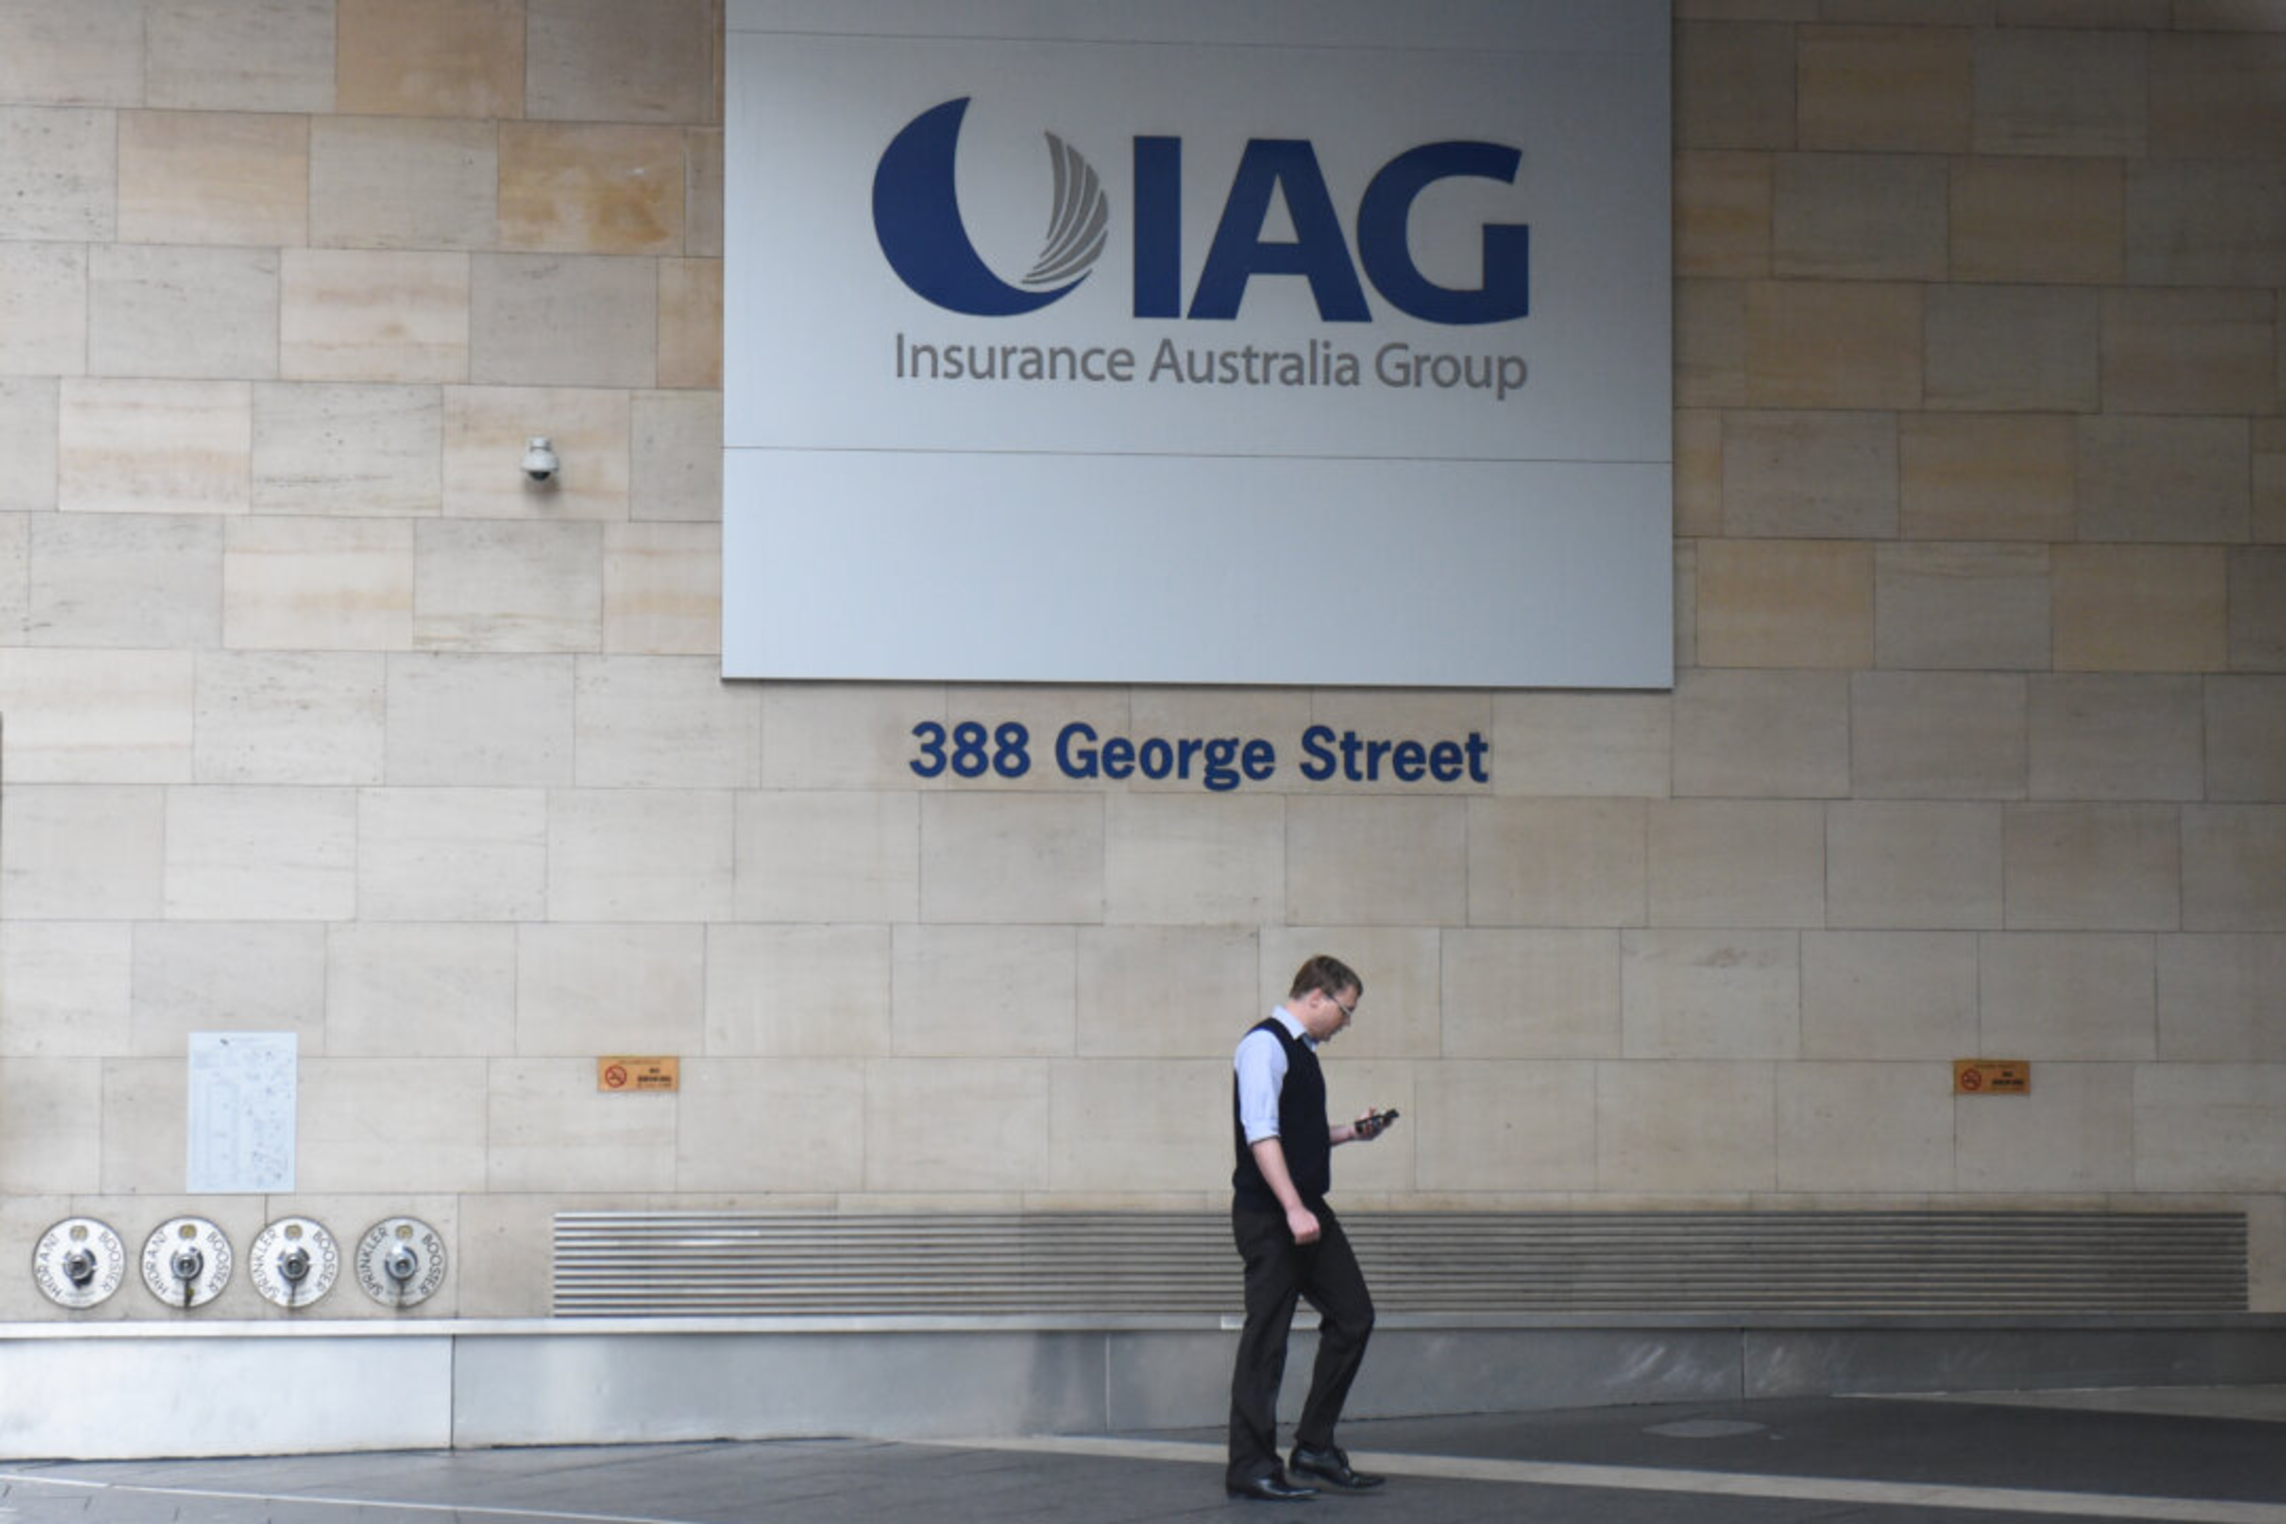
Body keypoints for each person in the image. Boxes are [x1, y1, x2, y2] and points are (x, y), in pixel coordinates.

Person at [1225, 954, 1394, 1502]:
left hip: (1305, 1208)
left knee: (1354, 1316)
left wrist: (1351, 1133)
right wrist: (1294, 1207)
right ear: (1317, 996)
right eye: (1346, 1010)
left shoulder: (1302, 1052)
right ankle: (1250, 1467)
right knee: (1266, 1340)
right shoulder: (1264, 1046)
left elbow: (1296, 1133)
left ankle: (1314, 1448)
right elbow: (1261, 1134)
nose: (1347, 1022)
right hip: (1271, 1214)